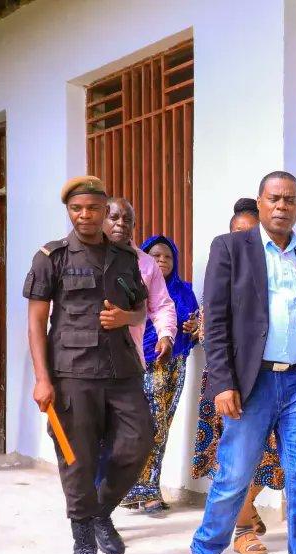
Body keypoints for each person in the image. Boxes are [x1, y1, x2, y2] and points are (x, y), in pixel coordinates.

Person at [186, 172, 296, 554]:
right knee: (234, 475)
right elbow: (215, 320)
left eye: (290, 200)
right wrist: (223, 382)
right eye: (274, 199)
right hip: (252, 382)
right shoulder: (231, 248)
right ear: (260, 201)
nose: (282, 207)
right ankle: (204, 552)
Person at [22, 176, 152, 554]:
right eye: (77, 209)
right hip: (71, 372)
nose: (85, 215)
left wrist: (126, 317)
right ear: (69, 211)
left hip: (121, 369)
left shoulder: (125, 256)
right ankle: (83, 543)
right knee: (76, 458)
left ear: (103, 210)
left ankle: (100, 511)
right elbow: (36, 323)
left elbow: (141, 310)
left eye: (93, 208)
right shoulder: (51, 257)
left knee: (138, 441)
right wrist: (42, 379)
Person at [191, 198, 289, 554]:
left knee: (276, 458)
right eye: (238, 233)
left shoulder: (278, 272)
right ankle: (242, 528)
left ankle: (246, 515)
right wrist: (225, 383)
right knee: (238, 461)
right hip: (230, 380)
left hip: (276, 380)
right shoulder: (224, 269)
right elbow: (210, 326)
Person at [98, 198, 177, 513]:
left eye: (127, 219)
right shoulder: (84, 257)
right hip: (87, 365)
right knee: (93, 437)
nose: (120, 224)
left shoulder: (145, 264)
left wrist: (166, 334)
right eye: (114, 217)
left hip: (129, 365)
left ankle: (105, 503)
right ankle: (95, 512)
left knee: (134, 436)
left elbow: (162, 305)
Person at [121, 234, 200, 512]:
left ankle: (144, 488)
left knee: (163, 426)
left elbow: (196, 325)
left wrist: (194, 329)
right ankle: (139, 489)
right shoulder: (136, 286)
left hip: (176, 364)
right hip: (146, 363)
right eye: (155, 256)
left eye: (167, 256)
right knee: (150, 425)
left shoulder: (185, 291)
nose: (162, 260)